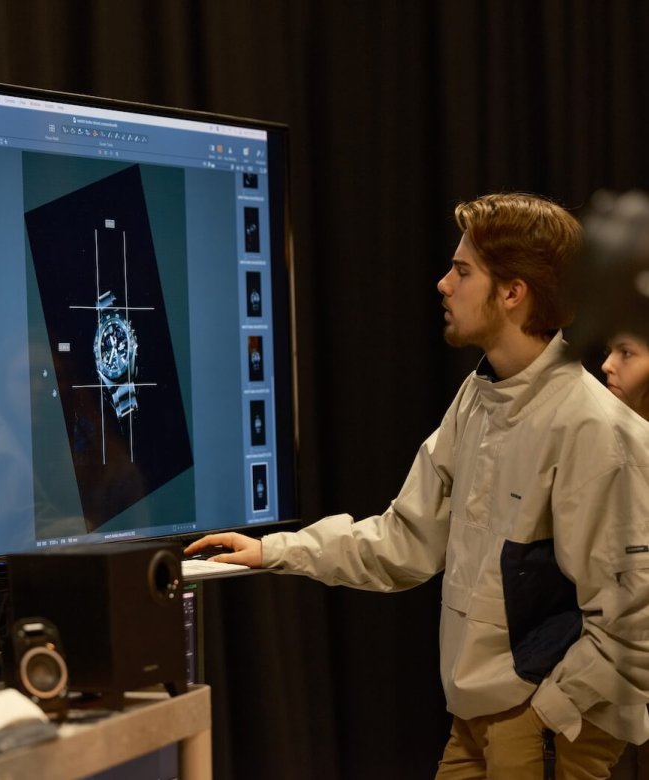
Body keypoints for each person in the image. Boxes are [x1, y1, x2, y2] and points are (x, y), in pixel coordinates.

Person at [186, 192, 649, 778]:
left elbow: (635, 618)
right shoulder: (478, 399)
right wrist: (273, 551)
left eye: (462, 271)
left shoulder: (594, 429)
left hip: (541, 728)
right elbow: (406, 539)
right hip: (480, 717)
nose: (443, 285)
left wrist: (549, 714)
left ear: (512, 293)